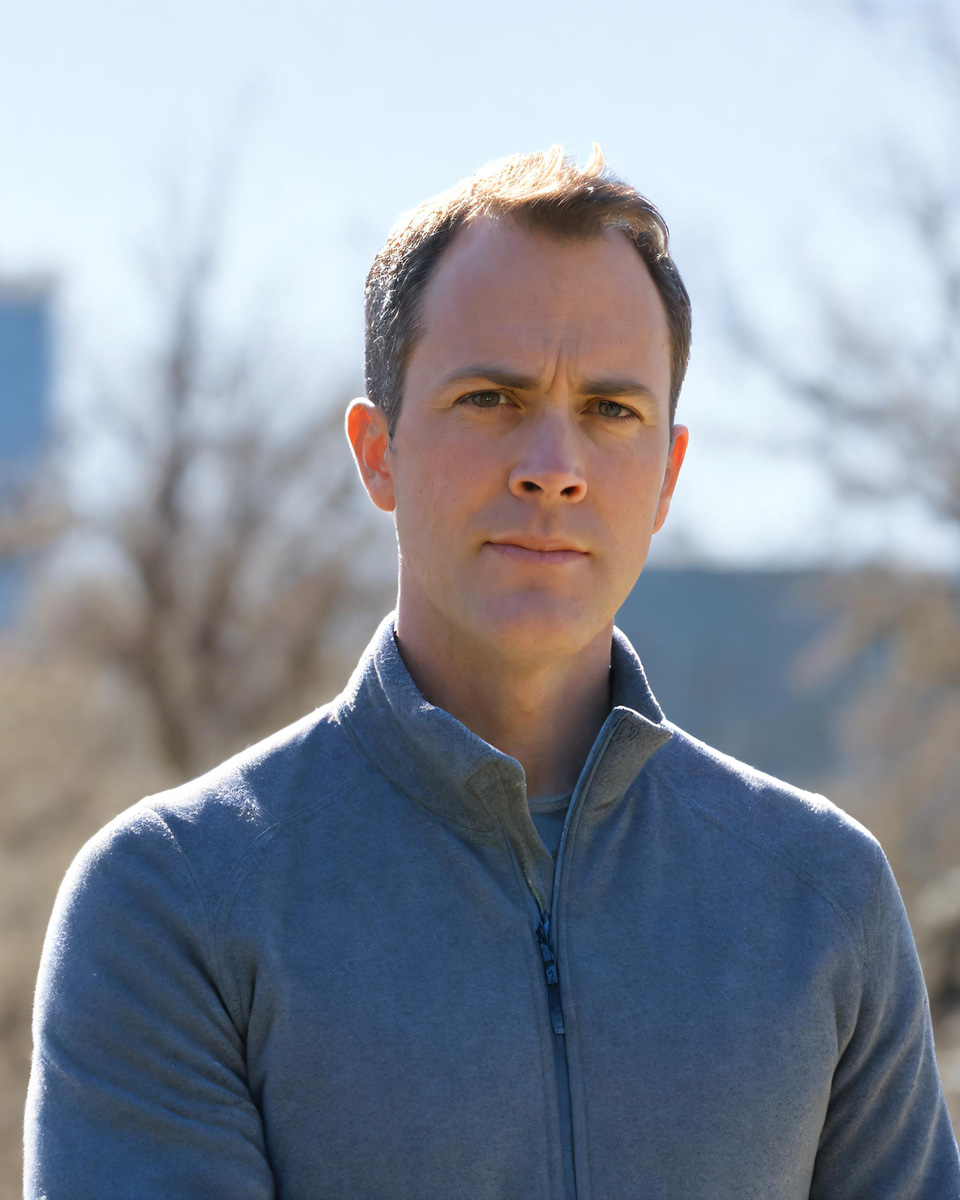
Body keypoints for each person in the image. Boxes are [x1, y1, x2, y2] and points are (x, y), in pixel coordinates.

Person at [24, 146, 960, 1199]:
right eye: (492, 399)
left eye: (612, 410)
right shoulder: (175, 902)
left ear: (666, 477)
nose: (553, 466)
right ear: (378, 452)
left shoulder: (823, 898)